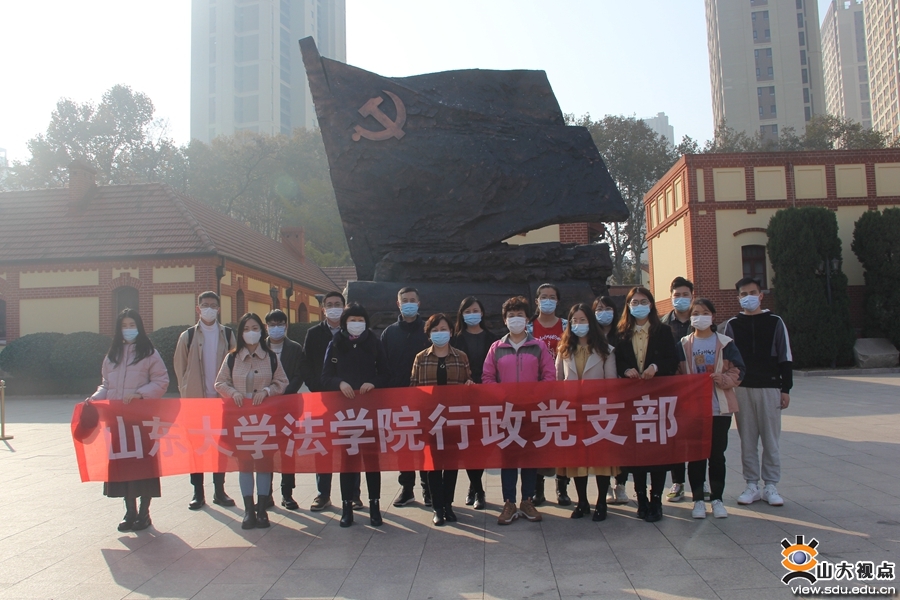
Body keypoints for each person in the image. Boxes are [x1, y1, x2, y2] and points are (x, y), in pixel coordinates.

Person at [90, 308, 169, 532]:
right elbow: (106, 384)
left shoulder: (149, 353)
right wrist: (94, 398)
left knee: (143, 466)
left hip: (141, 420)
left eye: (132, 325)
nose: (128, 329)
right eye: (124, 326)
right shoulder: (112, 355)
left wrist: (140, 394)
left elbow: (161, 381)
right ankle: (129, 512)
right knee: (124, 466)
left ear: (139, 327)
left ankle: (144, 513)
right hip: (118, 421)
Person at [483, 296, 556, 525]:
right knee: (508, 458)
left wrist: (532, 397)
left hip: (532, 411)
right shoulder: (496, 348)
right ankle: (509, 502)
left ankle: (527, 500)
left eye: (520, 315)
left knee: (530, 457)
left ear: (527, 319)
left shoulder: (538, 346)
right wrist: (503, 397)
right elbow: (487, 378)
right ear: (505, 320)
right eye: (511, 315)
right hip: (506, 412)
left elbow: (549, 376)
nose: (516, 319)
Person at [723, 277, 793, 507]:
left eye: (752, 293)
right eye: (743, 294)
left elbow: (785, 356)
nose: (748, 297)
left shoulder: (775, 322)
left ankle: (771, 485)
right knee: (748, 440)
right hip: (742, 388)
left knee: (771, 440)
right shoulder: (733, 325)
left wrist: (785, 388)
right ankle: (751, 484)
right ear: (738, 298)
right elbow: (727, 359)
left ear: (761, 295)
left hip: (770, 387)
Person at [215, 313, 288, 529]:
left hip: (265, 419)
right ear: (240, 333)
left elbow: (282, 381)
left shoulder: (271, 357)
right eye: (246, 329)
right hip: (240, 419)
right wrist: (233, 393)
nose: (251, 333)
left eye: (255, 328)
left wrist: (267, 391)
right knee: (245, 464)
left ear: (261, 331)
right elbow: (220, 383)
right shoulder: (232, 358)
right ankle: (248, 510)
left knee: (264, 463)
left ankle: (262, 509)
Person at [322, 303, 391, 527]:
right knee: (348, 460)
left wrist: (374, 382)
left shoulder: (374, 342)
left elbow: (386, 373)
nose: (356, 323)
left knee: (371, 459)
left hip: (370, 409)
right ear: (344, 322)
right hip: (346, 412)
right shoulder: (335, 343)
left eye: (360, 319)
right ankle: (347, 507)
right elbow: (325, 376)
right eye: (352, 319)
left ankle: (375, 506)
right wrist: (339, 383)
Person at [614, 287, 679, 523]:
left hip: (657, 398)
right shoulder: (621, 333)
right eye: (634, 302)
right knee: (637, 452)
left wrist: (655, 367)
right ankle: (641, 499)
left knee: (657, 451)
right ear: (628, 306)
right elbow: (617, 361)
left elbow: (672, 359)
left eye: (643, 301)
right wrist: (625, 370)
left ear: (651, 305)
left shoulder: (663, 331)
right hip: (632, 401)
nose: (639, 305)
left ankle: (656, 500)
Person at [676, 298, 745, 519]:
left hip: (719, 408)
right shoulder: (683, 344)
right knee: (696, 455)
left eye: (705, 313)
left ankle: (717, 499)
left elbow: (739, 371)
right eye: (696, 313)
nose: (700, 317)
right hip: (693, 409)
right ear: (690, 317)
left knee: (716, 455)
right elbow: (675, 374)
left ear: (713, 316)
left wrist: (723, 379)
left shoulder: (725, 343)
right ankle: (698, 499)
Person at [555, 304, 619, 521]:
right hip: (573, 412)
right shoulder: (564, 349)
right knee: (577, 459)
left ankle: (601, 502)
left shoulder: (606, 350)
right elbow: (557, 381)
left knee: (600, 458)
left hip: (598, 412)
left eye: (582, 320)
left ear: (591, 322)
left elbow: (611, 383)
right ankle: (582, 501)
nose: (578, 324)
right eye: (574, 320)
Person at [174, 291, 237, 511]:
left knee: (220, 446)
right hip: (196, 402)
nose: (208, 308)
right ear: (198, 308)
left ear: (218, 309)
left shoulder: (228, 334)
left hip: (221, 401)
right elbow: (180, 368)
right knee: (196, 447)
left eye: (212, 305)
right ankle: (198, 493)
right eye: (204, 305)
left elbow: (235, 365)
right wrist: (186, 392)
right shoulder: (188, 336)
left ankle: (219, 491)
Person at [410, 313, 474, 526]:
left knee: (452, 465)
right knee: (434, 465)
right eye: (435, 330)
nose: (440, 333)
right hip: (430, 420)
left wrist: (470, 386)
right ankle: (437, 507)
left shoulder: (460, 357)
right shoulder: (421, 358)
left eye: (444, 329)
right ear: (429, 334)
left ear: (451, 332)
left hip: (454, 419)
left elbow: (468, 381)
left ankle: (448, 505)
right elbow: (413, 387)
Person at [301, 291, 360, 512]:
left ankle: (354, 495)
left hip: (348, 399)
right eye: (329, 304)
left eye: (337, 304)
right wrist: (317, 387)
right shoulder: (314, 333)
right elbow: (306, 364)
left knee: (350, 445)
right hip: (323, 399)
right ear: (323, 308)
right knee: (323, 446)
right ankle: (323, 494)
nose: (334, 308)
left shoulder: (353, 331)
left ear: (344, 307)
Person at [382, 287, 431, 508]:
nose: (408, 303)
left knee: (425, 444)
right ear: (398, 304)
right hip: (398, 397)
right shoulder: (389, 333)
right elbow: (382, 365)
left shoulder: (428, 330)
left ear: (419, 303)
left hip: (425, 398)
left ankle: (428, 489)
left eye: (412, 300)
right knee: (404, 446)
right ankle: (407, 488)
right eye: (405, 300)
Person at [451, 296, 499, 510]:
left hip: (487, 397)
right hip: (464, 398)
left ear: (482, 313)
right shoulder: (455, 339)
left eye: (475, 310)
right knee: (468, 445)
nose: (472, 314)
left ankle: (475, 485)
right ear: (462, 314)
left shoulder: (493, 339)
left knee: (483, 446)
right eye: (468, 311)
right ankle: (478, 489)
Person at [528, 283, 571, 507]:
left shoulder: (566, 326)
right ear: (537, 301)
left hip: (562, 392)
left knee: (562, 440)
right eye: (543, 297)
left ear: (558, 301)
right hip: (537, 394)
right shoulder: (529, 327)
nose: (548, 300)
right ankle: (538, 489)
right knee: (539, 441)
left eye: (552, 297)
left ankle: (562, 487)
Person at [264, 309, 307, 510]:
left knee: (287, 451)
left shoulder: (295, 348)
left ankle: (287, 493)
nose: (276, 328)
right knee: (265, 451)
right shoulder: (259, 347)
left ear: (286, 326)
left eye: (279, 324)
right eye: (272, 324)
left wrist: (283, 393)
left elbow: (299, 374)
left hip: (289, 406)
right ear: (266, 327)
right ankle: (266, 493)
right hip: (265, 407)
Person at [660, 277, 695, 504]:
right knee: (674, 437)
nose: (680, 299)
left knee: (696, 436)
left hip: (696, 389)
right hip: (672, 388)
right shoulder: (662, 324)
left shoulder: (701, 320)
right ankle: (678, 482)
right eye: (677, 295)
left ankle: (700, 483)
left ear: (692, 296)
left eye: (685, 295)